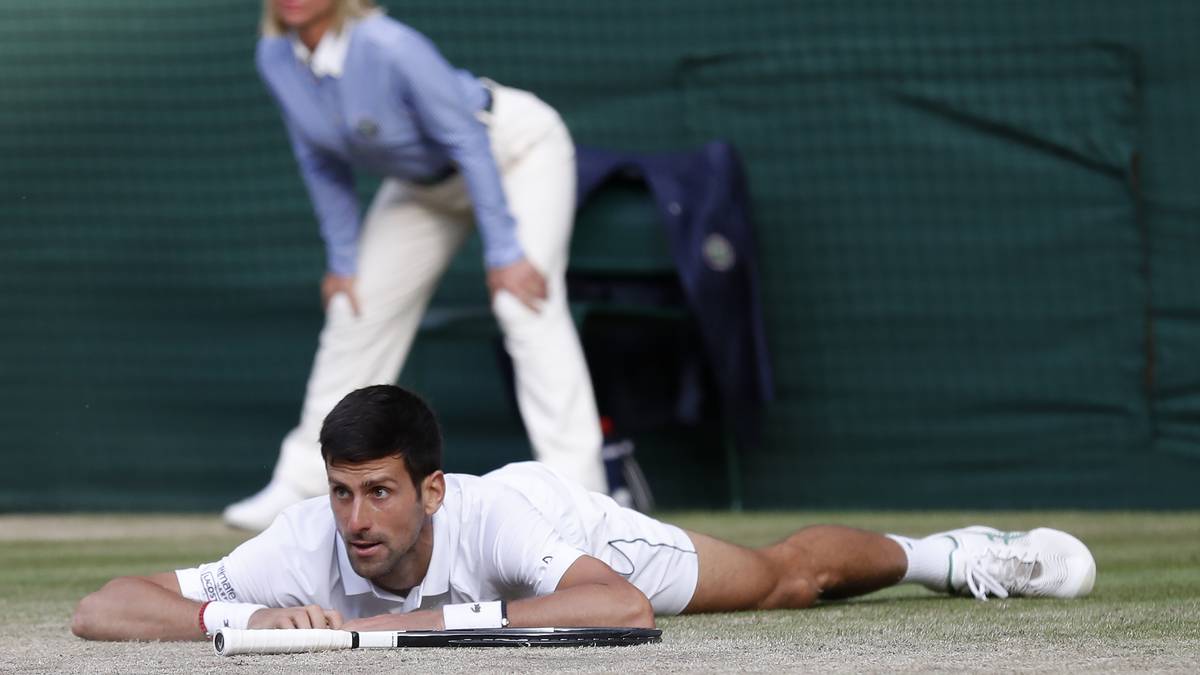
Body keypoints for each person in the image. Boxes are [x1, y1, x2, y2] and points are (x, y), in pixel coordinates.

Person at [72, 385, 1097, 641]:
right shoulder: (308, 539)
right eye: (343, 491)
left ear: (431, 489)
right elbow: (104, 607)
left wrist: (417, 626)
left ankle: (949, 554)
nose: (356, 518)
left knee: (787, 581)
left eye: (379, 491)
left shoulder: (495, 516)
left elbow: (619, 609)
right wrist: (243, 617)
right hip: (488, 588)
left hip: (571, 533)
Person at [221, 0, 611, 531]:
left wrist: (504, 252)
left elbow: (467, 138)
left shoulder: (389, 45)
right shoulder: (274, 56)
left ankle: (580, 491)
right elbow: (317, 158)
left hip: (514, 151)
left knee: (521, 303)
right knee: (355, 305)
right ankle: (305, 484)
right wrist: (342, 259)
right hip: (420, 185)